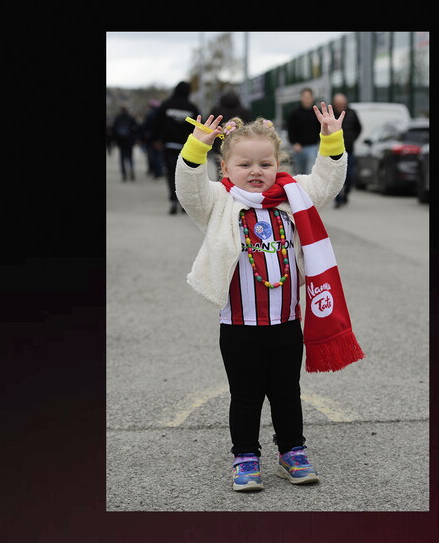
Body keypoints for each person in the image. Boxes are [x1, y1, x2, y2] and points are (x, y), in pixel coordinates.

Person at [174, 105, 364, 492]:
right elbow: (189, 190)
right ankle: (245, 456)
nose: (256, 171)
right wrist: (196, 148)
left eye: (265, 163)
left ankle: (292, 452)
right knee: (245, 396)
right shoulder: (218, 203)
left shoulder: (293, 197)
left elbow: (327, 181)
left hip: (286, 323)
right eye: (245, 164)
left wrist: (331, 139)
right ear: (225, 169)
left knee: (286, 393)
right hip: (239, 325)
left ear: (279, 164)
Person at [152, 81, 200, 214]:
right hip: (187, 147)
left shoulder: (166, 105)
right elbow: (198, 127)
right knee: (186, 174)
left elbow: (157, 123)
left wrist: (155, 139)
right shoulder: (192, 108)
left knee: (171, 173)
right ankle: (184, 203)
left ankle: (173, 200)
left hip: (169, 145)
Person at [208, 90, 254, 180]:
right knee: (240, 168)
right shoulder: (244, 111)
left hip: (219, 147)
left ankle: (222, 185)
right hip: (241, 147)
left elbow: (210, 128)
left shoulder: (216, 111)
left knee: (220, 169)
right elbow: (250, 128)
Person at [332, 93, 362, 208]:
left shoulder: (352, 113)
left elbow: (359, 128)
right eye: (338, 104)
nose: (340, 106)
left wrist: (352, 138)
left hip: (349, 150)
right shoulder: (331, 114)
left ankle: (346, 192)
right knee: (336, 176)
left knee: (349, 176)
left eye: (342, 103)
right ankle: (338, 199)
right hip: (335, 151)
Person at [286, 88, 321, 175]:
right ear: (301, 98)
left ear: (312, 98)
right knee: (299, 173)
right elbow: (290, 130)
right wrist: (294, 143)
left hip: (312, 147)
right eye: (305, 97)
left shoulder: (317, 113)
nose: (307, 100)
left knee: (310, 172)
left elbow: (321, 129)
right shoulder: (294, 113)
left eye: (309, 97)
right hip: (298, 148)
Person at [112, 107, 139, 181]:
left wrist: (116, 141)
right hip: (129, 141)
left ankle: (124, 174)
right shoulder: (131, 118)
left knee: (122, 158)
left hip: (121, 142)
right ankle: (131, 170)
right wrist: (135, 139)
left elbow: (113, 130)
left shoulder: (117, 118)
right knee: (130, 157)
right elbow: (136, 128)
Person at [141, 100, 165, 179]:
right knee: (159, 155)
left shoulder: (150, 115)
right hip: (161, 138)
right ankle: (160, 171)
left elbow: (145, 127)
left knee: (154, 155)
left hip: (151, 139)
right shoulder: (161, 114)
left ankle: (156, 171)